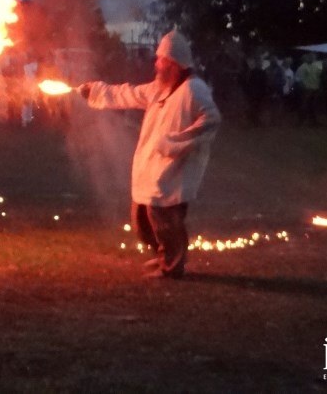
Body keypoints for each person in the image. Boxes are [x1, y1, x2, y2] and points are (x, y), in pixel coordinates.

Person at [79, 30, 221, 279]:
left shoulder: (193, 89)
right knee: (142, 222)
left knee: (166, 221)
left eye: (161, 60)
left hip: (174, 168)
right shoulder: (160, 89)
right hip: (154, 167)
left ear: (174, 63)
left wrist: (177, 142)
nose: (156, 65)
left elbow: (211, 119)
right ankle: (163, 257)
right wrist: (95, 91)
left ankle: (172, 266)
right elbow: (128, 93)